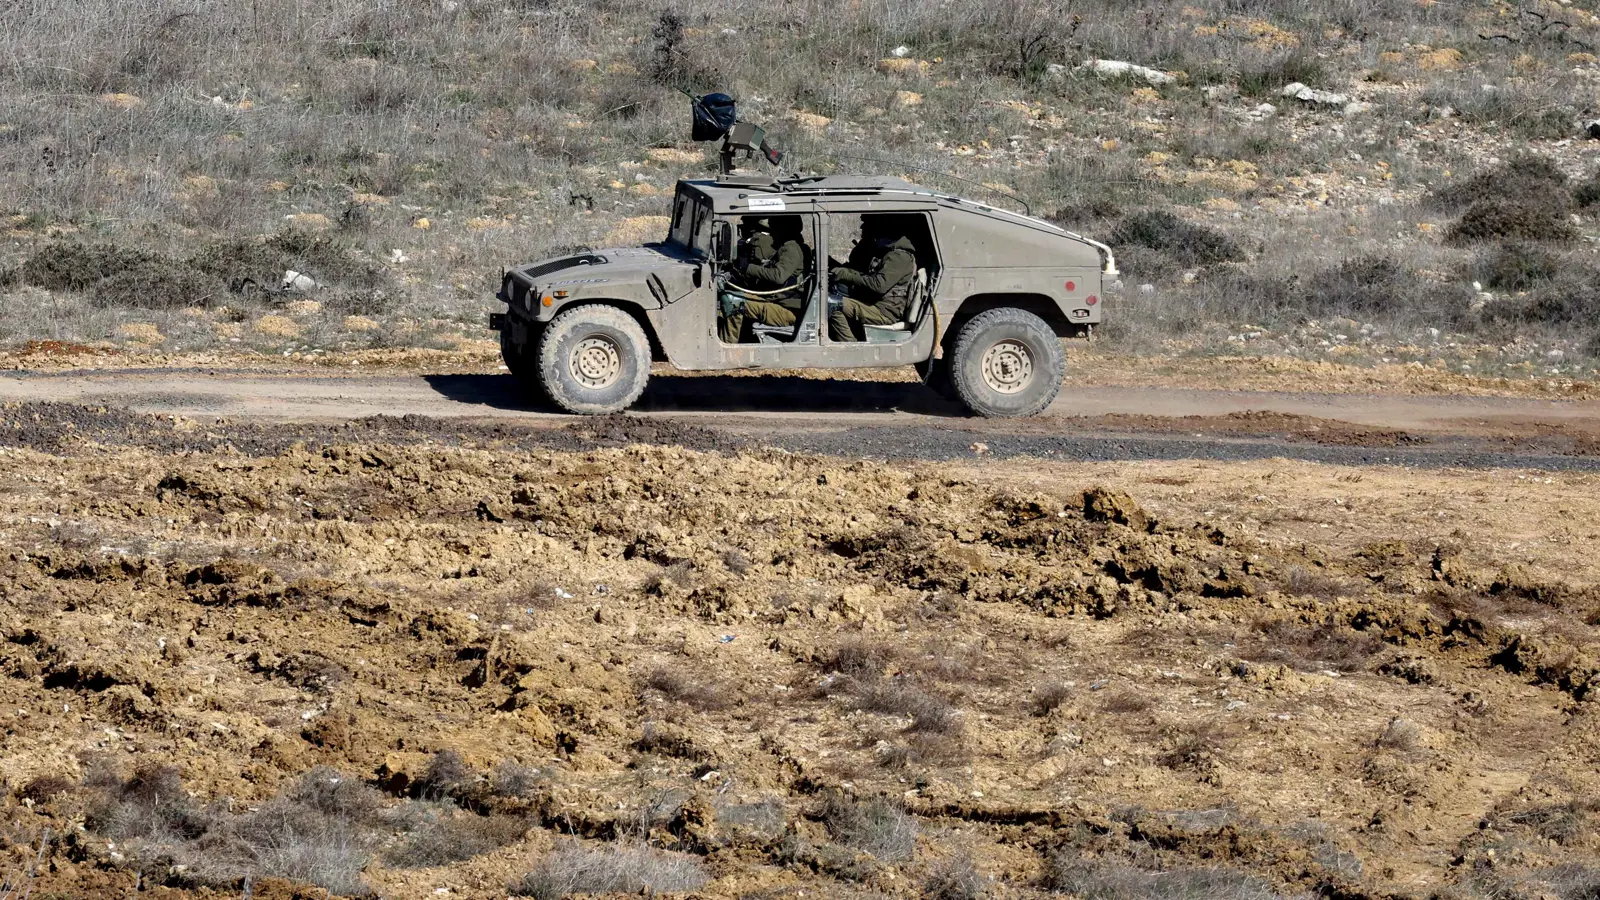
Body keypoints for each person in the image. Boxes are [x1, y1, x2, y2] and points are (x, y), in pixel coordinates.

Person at [719, 216, 809, 344]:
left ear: (784, 229)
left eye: (774, 228)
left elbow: (779, 276)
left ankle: (726, 347)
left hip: (787, 310)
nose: (771, 232)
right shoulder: (791, 246)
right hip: (781, 304)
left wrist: (749, 268)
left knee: (733, 302)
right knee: (733, 295)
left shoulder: (791, 248)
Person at [827, 218, 917, 342]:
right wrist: (846, 272)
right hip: (874, 303)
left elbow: (878, 285)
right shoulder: (890, 253)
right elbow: (869, 276)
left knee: (831, 304)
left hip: (884, 312)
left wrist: (848, 275)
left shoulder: (899, 257)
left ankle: (850, 346)